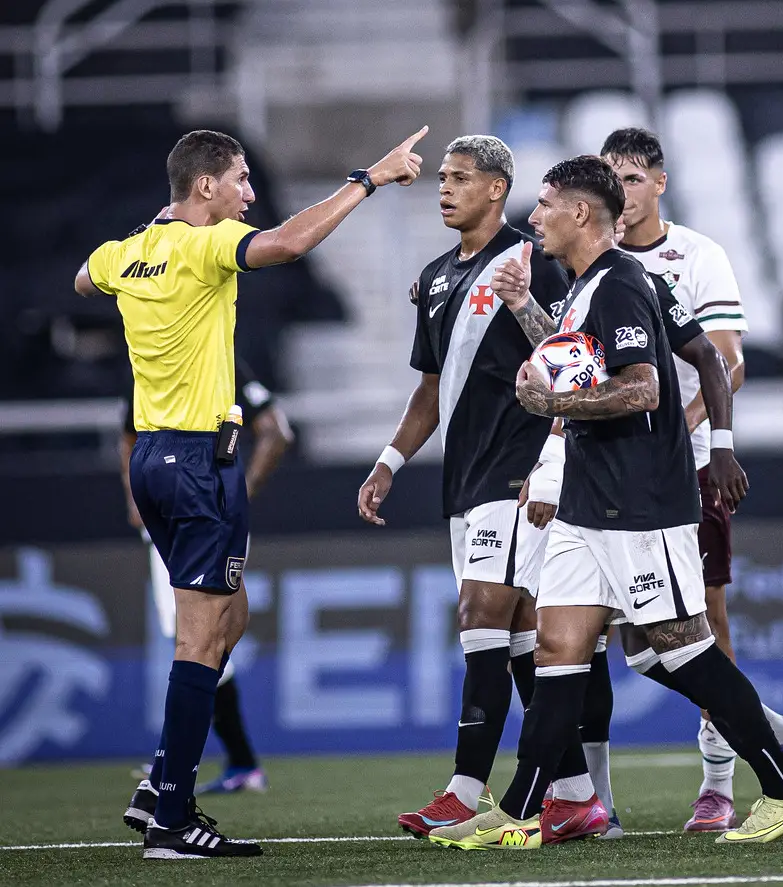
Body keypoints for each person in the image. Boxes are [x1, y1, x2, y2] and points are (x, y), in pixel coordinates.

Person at [434, 156, 783, 850]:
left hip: (640, 502)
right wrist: (525, 310)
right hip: (588, 498)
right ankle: (521, 807)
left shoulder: (619, 285)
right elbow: (577, 360)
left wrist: (552, 401)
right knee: (557, 649)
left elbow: (643, 388)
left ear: (580, 212)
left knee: (681, 650)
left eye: (546, 203)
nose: (534, 216)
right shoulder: (588, 288)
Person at [83, 124, 429, 858]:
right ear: (203, 186)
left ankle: (161, 783)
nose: (249, 193)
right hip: (196, 460)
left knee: (228, 615)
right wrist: (369, 178)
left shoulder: (129, 252)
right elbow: (290, 245)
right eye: (240, 178)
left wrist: (147, 238)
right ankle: (172, 816)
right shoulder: (203, 245)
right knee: (201, 636)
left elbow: (84, 279)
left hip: (156, 456)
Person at [599, 126, 783, 832]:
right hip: (604, 474)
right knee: (631, 642)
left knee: (703, 622)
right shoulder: (585, 262)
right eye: (610, 178)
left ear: (659, 183)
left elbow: (724, 359)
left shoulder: (696, 255)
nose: (621, 191)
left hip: (682, 468)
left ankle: (719, 782)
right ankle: (780, 729)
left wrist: (683, 436)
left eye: (632, 178)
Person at [354, 135, 569, 841]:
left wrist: (554, 462)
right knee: (513, 637)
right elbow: (429, 392)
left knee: (481, 617)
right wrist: (389, 459)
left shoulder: (532, 260)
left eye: (459, 178)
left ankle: (464, 790)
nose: (443, 188)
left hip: (518, 471)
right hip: (463, 475)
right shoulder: (437, 276)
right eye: (441, 178)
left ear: (497, 189)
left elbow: (573, 364)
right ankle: (571, 790)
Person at [122, 358, 291, 794]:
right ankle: (213, 762)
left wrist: (236, 494)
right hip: (191, 501)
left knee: (202, 635)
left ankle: (182, 767)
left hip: (196, 505)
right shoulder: (176, 354)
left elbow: (276, 431)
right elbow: (128, 432)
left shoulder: (195, 356)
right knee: (209, 633)